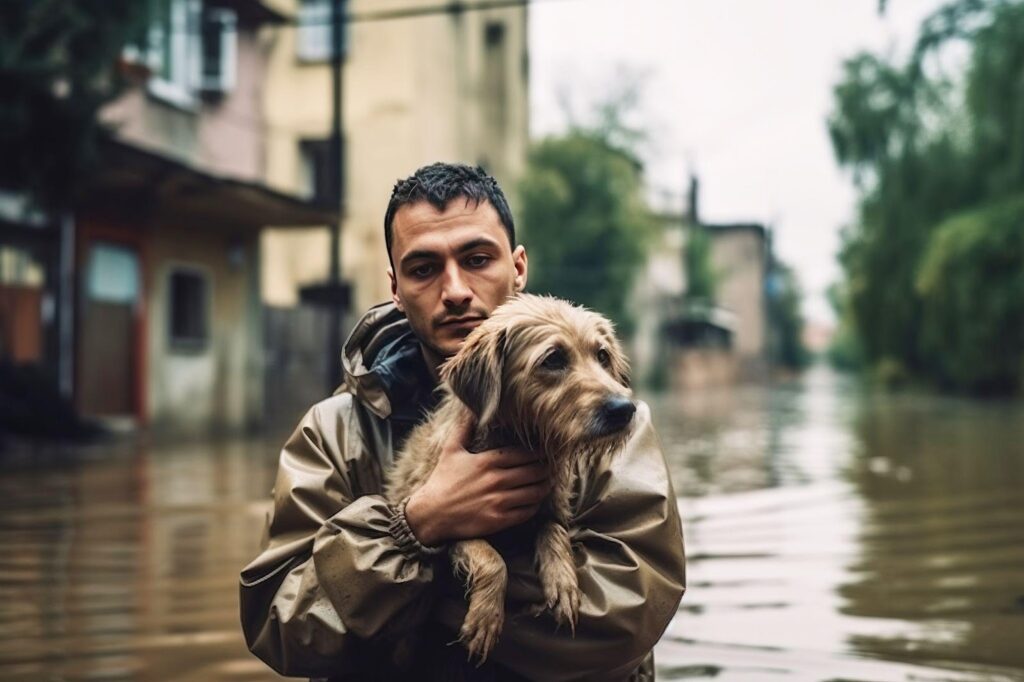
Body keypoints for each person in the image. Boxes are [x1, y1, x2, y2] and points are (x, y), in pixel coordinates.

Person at [239, 163, 685, 681]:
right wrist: (420, 523)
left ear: (517, 268)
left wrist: (422, 591)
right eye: (423, 268)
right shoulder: (335, 434)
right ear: (395, 288)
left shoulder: (614, 422)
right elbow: (282, 627)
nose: (454, 290)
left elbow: (626, 621)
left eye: (477, 259)